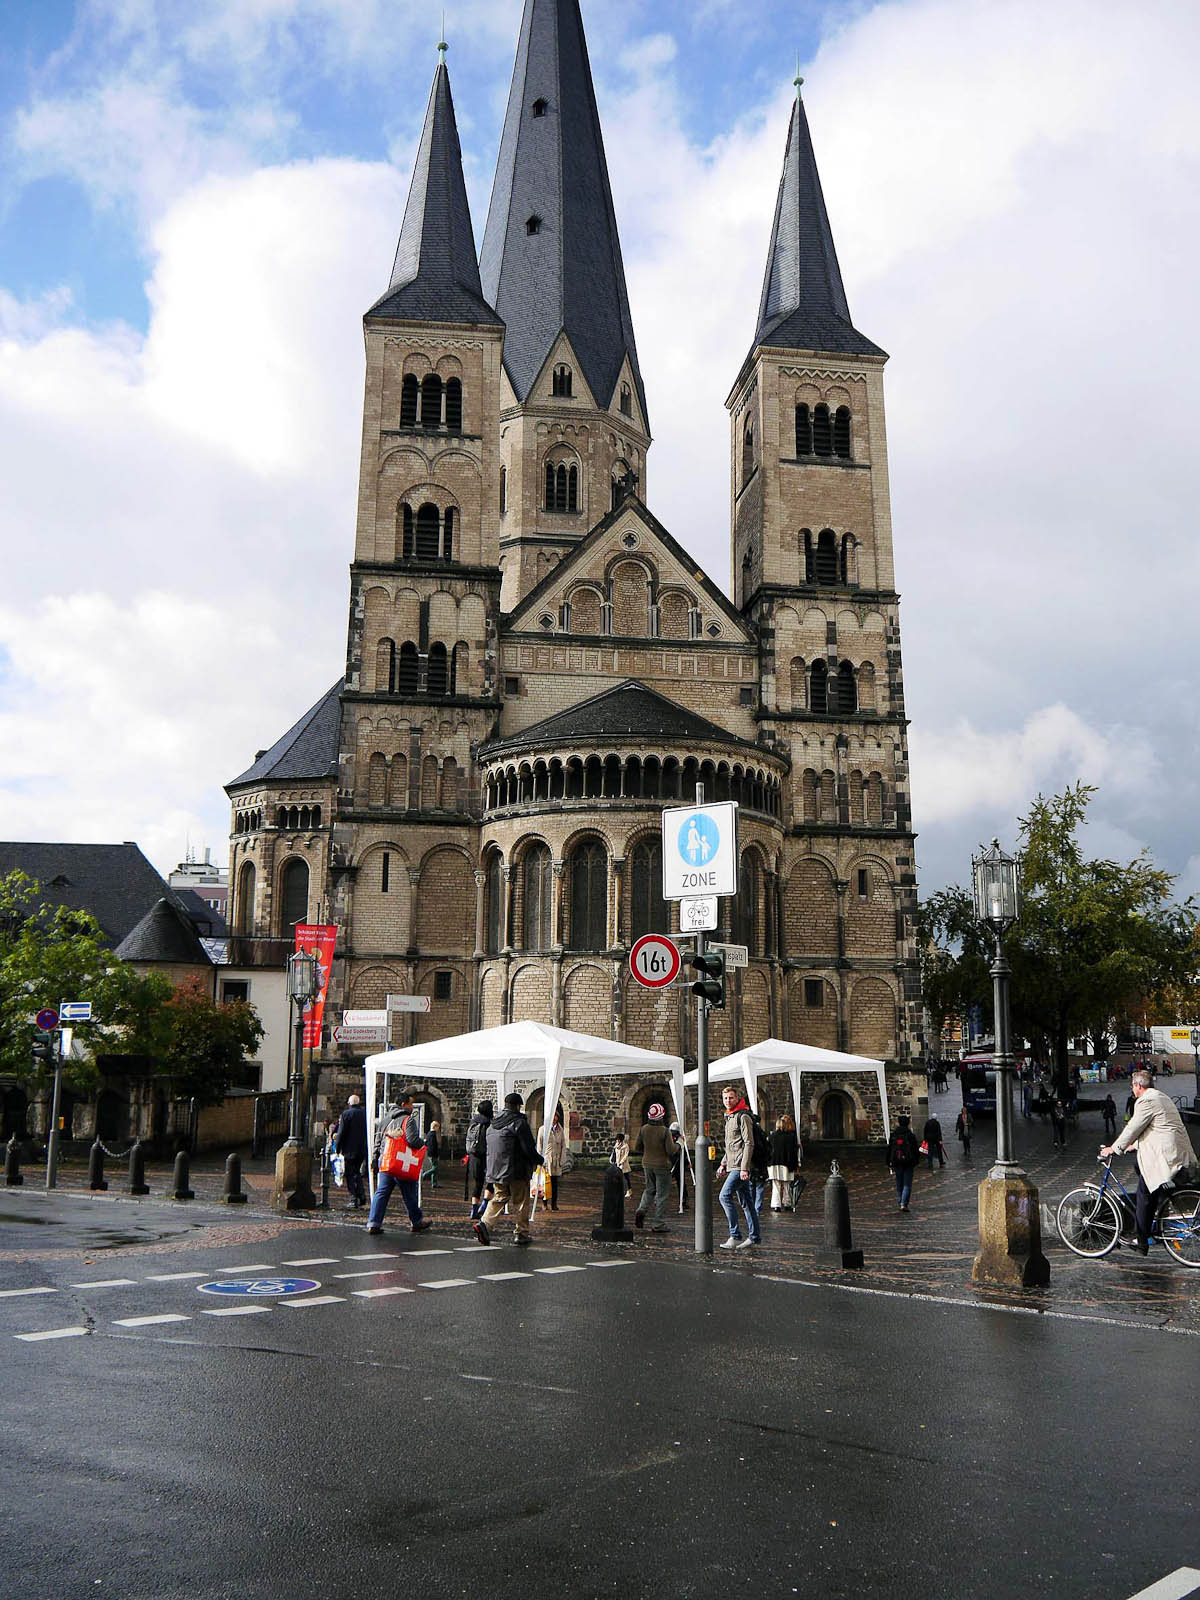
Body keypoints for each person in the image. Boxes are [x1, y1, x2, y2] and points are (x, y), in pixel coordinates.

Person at [1100, 1067, 1198, 1255]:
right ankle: (1154, 1217)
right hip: (1177, 1153)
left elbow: (1133, 1127)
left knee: (1143, 1193)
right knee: (1141, 1171)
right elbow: (1157, 1128)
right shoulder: (1161, 1097)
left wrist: (1114, 1148)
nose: (1132, 1089)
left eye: (1132, 1086)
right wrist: (1134, 1146)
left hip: (1166, 1157)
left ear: (1138, 1085)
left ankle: (1141, 1239)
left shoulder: (1146, 1100)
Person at [473, 1091, 542, 1247]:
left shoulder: (493, 1124)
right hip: (516, 1170)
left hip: (496, 1170)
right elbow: (528, 1148)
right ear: (517, 1106)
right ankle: (521, 1233)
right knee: (521, 1202)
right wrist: (539, 1160)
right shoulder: (519, 1123)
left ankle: (485, 1224)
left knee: (499, 1197)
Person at [367, 1092, 433, 1236]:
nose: (412, 1107)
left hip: (385, 1160)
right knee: (409, 1193)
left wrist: (374, 1159)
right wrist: (423, 1143)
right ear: (403, 1104)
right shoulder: (408, 1119)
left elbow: (377, 1140)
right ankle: (417, 1222)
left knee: (382, 1192)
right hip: (401, 1162)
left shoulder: (385, 1119)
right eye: (410, 1104)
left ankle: (374, 1223)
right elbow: (412, 1140)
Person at [715, 1084, 760, 1250]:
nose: (728, 1101)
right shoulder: (729, 1117)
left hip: (740, 1167)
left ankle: (735, 1236)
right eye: (725, 1098)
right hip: (733, 1165)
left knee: (724, 1196)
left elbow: (748, 1143)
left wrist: (744, 1168)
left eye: (731, 1098)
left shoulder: (743, 1116)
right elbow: (731, 1145)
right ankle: (754, 1237)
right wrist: (723, 1163)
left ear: (737, 1098)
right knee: (747, 1202)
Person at [631, 1102, 677, 1232]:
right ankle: (658, 1223)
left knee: (649, 1189)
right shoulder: (665, 1131)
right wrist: (679, 1144)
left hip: (647, 1163)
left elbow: (637, 1147)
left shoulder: (643, 1129)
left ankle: (641, 1209)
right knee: (662, 1194)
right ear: (661, 1116)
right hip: (662, 1165)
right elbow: (671, 1150)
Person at [331, 1093, 368, 1209]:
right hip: (361, 1149)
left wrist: (337, 1149)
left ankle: (353, 1198)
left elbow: (341, 1133)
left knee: (350, 1174)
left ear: (349, 1103)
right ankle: (361, 1195)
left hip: (349, 1149)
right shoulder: (365, 1114)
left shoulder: (346, 1114)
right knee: (357, 1172)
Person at [464, 1100, 492, 1218]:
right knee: (491, 1180)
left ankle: (474, 1210)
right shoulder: (490, 1123)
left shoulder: (473, 1121)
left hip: (474, 1155)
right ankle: (484, 1204)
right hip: (487, 1155)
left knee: (477, 1183)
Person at [887, 1115, 920, 1211]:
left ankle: (900, 1200)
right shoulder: (910, 1135)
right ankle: (903, 1203)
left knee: (899, 1183)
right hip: (908, 1162)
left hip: (897, 1161)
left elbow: (890, 1149)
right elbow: (915, 1150)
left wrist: (888, 1161)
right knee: (907, 1184)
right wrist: (916, 1161)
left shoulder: (894, 1135)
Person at [768, 1115, 800, 1210]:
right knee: (787, 1185)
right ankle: (787, 1203)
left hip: (773, 1163)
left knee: (776, 1185)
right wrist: (796, 1165)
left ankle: (776, 1205)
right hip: (787, 1163)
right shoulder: (790, 1137)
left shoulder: (771, 1136)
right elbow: (793, 1152)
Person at [537, 1110, 566, 1210]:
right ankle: (544, 1204)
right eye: (552, 1116)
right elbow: (539, 1146)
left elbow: (563, 1145)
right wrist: (540, 1160)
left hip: (556, 1160)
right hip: (546, 1160)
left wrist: (562, 1159)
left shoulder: (560, 1130)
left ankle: (554, 1204)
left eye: (556, 1116)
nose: (554, 1118)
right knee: (545, 1183)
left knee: (555, 1183)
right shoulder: (542, 1129)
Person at [612, 1130, 632, 1196]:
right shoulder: (616, 1145)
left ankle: (629, 1191)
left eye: (619, 1139)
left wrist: (621, 1162)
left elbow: (626, 1156)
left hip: (624, 1165)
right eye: (617, 1139)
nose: (618, 1141)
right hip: (617, 1164)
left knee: (626, 1178)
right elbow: (614, 1153)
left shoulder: (626, 1146)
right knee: (617, 1178)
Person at [425, 1120, 441, 1188]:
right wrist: (436, 1154)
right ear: (435, 1127)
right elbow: (433, 1146)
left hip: (430, 1153)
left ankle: (434, 1183)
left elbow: (426, 1143)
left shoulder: (429, 1134)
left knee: (434, 1168)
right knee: (435, 1168)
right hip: (433, 1154)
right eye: (438, 1127)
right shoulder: (433, 1135)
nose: (438, 1129)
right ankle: (423, 1175)